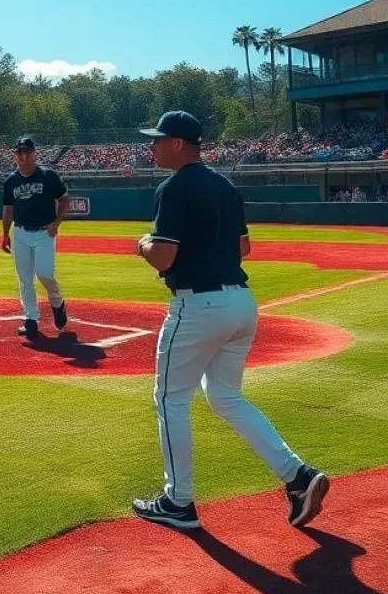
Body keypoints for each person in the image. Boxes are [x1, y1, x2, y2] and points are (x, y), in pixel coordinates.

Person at [131, 110, 328, 531]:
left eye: (158, 140)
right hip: (241, 304)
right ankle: (298, 477)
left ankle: (177, 501)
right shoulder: (225, 185)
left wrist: (143, 245)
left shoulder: (174, 187)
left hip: (198, 307)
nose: (153, 146)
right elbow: (243, 249)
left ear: (179, 144)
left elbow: (163, 256)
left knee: (170, 399)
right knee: (225, 397)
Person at [1, 136, 70, 339]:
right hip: (21, 232)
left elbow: (65, 200)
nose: (23, 156)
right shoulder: (11, 181)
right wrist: (5, 234)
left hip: (44, 233)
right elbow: (7, 210)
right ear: (15, 155)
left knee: (45, 274)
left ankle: (57, 303)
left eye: (27, 152)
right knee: (25, 279)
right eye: (19, 152)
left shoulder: (48, 176)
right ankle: (31, 319)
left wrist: (56, 222)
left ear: (34, 154)